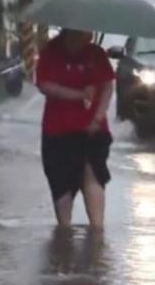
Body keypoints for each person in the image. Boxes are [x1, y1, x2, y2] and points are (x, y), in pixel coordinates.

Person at [35, 28, 115, 230]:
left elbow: (107, 86)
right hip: (58, 129)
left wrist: (97, 116)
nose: (83, 38)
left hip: (92, 128)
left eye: (86, 35)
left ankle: (97, 229)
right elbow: (44, 85)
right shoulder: (51, 52)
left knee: (92, 173)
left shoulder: (96, 54)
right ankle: (64, 229)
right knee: (61, 181)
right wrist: (79, 95)